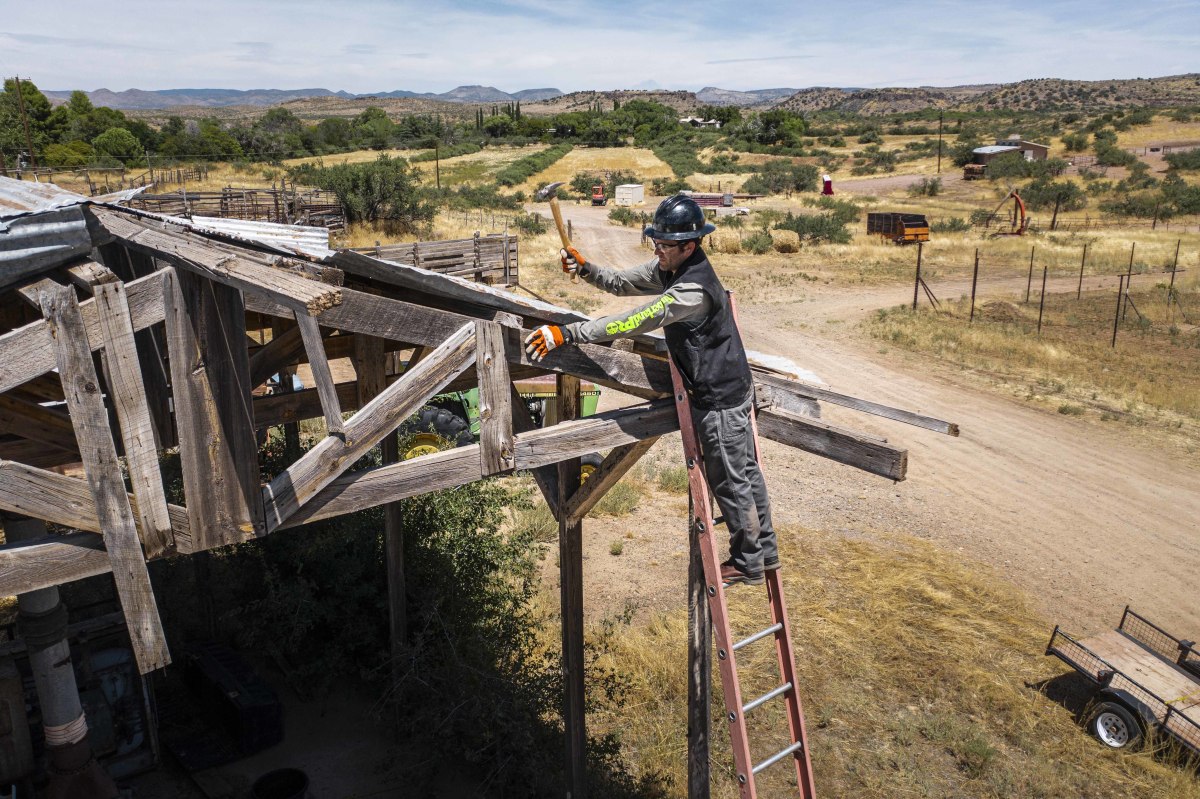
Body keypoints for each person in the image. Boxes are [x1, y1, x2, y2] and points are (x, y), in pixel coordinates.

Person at [523, 195, 778, 587]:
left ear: (688, 246)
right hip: (729, 386)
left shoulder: (691, 291)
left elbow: (634, 320)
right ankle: (766, 551)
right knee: (744, 473)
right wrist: (586, 269)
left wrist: (567, 334)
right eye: (655, 242)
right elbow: (621, 283)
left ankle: (748, 563)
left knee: (731, 480)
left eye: (664, 245)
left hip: (719, 398)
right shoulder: (673, 266)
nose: (657, 250)